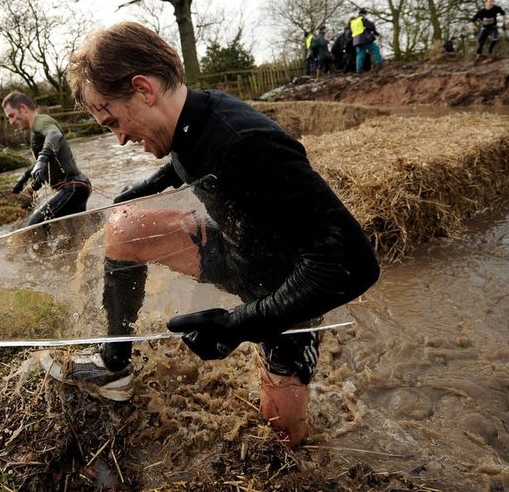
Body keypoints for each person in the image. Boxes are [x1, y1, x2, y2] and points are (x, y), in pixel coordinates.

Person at [38, 22, 380, 448]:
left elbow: (353, 265)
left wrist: (236, 325)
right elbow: (189, 158)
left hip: (287, 287)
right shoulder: (188, 118)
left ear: (144, 90)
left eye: (112, 122)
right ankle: (114, 365)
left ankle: (299, 431)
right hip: (235, 250)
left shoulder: (248, 142)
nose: (121, 139)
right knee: (125, 229)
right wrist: (145, 188)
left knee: (280, 430)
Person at [2, 91, 91, 226]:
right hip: (76, 188)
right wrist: (24, 180)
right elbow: (45, 163)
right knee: (76, 237)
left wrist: (42, 159)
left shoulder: (41, 121)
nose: (11, 122)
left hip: (73, 187)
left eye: (11, 116)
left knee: (34, 227)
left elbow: (54, 135)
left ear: (23, 109)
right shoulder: (34, 131)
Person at [350, 9, 383, 73]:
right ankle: (379, 64)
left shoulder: (353, 22)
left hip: (356, 41)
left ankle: (358, 70)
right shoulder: (362, 19)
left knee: (360, 54)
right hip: (364, 39)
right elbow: (371, 25)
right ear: (364, 14)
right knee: (375, 48)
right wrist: (376, 33)